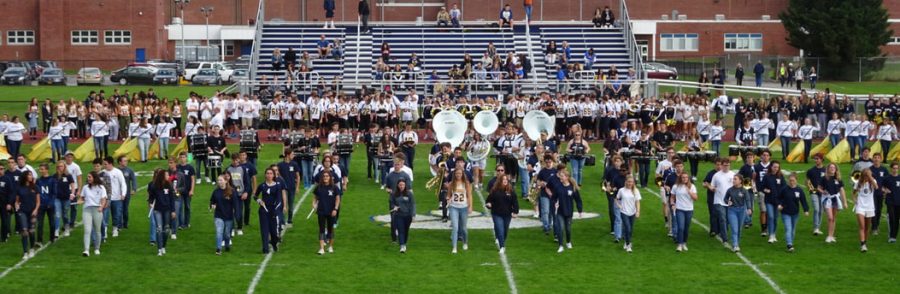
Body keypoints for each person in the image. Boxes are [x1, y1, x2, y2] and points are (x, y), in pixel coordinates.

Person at [255, 168, 287, 254]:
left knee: (274, 231)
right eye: (267, 173)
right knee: (264, 230)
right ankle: (265, 248)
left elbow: (279, 200)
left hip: (274, 210)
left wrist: (276, 210)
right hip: (263, 210)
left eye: (270, 173)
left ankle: (274, 243)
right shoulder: (262, 186)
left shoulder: (277, 186)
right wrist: (259, 201)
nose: (269, 175)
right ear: (265, 175)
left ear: (273, 175)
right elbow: (255, 196)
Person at [486, 174, 518, 253]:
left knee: (505, 230)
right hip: (496, 213)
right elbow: (488, 200)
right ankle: (502, 246)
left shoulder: (511, 191)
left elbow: (515, 202)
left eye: (506, 180)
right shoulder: (494, 190)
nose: (505, 181)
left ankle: (502, 241)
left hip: (507, 214)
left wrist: (515, 212)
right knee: (500, 229)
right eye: (503, 179)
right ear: (500, 181)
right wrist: (489, 205)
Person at [776, 173, 808, 252]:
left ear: (796, 181)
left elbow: (803, 201)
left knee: (793, 229)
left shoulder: (799, 190)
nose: (791, 182)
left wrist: (806, 210)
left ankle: (790, 242)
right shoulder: (784, 189)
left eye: (793, 180)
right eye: (790, 181)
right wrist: (779, 205)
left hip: (795, 213)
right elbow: (778, 198)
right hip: (785, 212)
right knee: (788, 228)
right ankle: (789, 244)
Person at [817, 163, 848, 243]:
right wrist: (823, 192)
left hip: (835, 199)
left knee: (833, 218)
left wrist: (844, 202)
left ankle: (831, 235)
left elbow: (842, 191)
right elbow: (819, 188)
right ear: (828, 169)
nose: (832, 168)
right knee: (830, 217)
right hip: (827, 199)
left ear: (836, 169)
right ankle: (829, 235)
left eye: (834, 167)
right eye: (831, 167)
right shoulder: (824, 178)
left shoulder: (838, 179)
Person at [148, 169, 176, 256]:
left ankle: (163, 246)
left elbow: (172, 199)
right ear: (162, 176)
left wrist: (173, 210)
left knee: (166, 229)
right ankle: (159, 249)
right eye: (166, 175)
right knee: (159, 229)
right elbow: (151, 196)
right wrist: (150, 202)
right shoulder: (154, 186)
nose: (168, 176)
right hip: (158, 210)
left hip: (167, 210)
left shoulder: (169, 185)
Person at [210, 174, 239, 255]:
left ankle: (227, 245)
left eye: (221, 180)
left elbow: (236, 204)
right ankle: (218, 249)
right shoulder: (216, 192)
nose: (219, 182)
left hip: (229, 216)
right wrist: (212, 205)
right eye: (218, 180)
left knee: (227, 234)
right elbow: (212, 201)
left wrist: (237, 215)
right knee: (219, 232)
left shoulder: (232, 191)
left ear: (226, 181)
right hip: (218, 215)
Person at [79, 171, 107, 257]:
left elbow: (104, 199)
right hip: (87, 209)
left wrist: (101, 207)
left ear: (94, 178)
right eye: (88, 177)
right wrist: (80, 201)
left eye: (90, 177)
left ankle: (97, 248)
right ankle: (86, 250)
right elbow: (82, 198)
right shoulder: (85, 187)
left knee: (97, 230)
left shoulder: (101, 188)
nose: (88, 179)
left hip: (97, 210)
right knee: (87, 230)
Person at [314, 172, 341, 255]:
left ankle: (330, 246)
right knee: (321, 229)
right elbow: (315, 197)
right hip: (321, 211)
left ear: (330, 177)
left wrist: (335, 209)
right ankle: (321, 248)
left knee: (330, 229)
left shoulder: (334, 187)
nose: (325, 177)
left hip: (331, 211)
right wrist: (314, 204)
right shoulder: (318, 187)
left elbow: (337, 199)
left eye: (327, 176)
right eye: (324, 176)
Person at [724, 174, 753, 252]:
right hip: (732, 210)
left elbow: (747, 200)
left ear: (740, 181)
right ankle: (735, 245)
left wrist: (749, 208)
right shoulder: (730, 190)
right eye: (733, 179)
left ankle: (737, 243)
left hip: (742, 211)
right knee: (734, 229)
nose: (733, 180)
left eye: (735, 179)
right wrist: (728, 202)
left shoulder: (744, 190)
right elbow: (725, 199)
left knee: (739, 229)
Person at [446, 168, 472, 254]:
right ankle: (454, 247)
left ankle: (465, 242)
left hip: (464, 207)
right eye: (457, 173)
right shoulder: (451, 184)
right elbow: (448, 195)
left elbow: (469, 196)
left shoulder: (466, 184)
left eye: (460, 173)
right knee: (455, 227)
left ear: (462, 174)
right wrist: (448, 199)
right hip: (454, 207)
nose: (458, 175)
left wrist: (470, 206)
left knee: (464, 228)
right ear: (454, 174)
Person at [709, 158, 735, 243]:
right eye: (725, 165)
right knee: (722, 218)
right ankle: (725, 239)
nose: (726, 167)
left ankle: (722, 233)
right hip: (719, 201)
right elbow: (712, 186)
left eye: (728, 165)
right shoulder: (716, 175)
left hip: (730, 201)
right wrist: (712, 188)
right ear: (722, 165)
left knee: (728, 219)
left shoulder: (733, 175)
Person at [15, 170, 39, 259]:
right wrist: (17, 207)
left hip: (33, 211)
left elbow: (38, 201)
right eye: (29, 175)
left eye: (31, 175)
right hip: (23, 212)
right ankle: (25, 252)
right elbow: (17, 201)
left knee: (31, 231)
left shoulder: (35, 187)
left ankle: (32, 249)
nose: (31, 176)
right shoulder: (19, 188)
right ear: (25, 176)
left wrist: (36, 210)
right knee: (24, 231)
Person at [672, 172, 697, 252]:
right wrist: (673, 204)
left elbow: (695, 198)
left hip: (689, 209)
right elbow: (672, 197)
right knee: (681, 227)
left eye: (686, 177)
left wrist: (689, 192)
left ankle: (684, 243)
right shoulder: (676, 186)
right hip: (680, 209)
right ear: (680, 178)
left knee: (686, 227)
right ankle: (679, 244)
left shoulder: (692, 186)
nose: (685, 179)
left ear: (688, 178)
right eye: (683, 177)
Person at [102, 157, 127, 238]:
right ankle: (104, 231)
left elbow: (123, 183)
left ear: (110, 164)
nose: (104, 165)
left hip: (117, 198)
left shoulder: (118, 172)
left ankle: (115, 228)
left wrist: (123, 194)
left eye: (105, 164)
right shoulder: (102, 173)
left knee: (116, 215)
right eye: (104, 164)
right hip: (106, 199)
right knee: (105, 215)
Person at [761, 161, 785, 243]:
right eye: (774, 167)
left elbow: (784, 187)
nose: (776, 168)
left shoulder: (781, 176)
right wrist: (765, 190)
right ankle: (771, 235)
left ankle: (774, 233)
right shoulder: (767, 176)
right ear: (771, 167)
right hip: (769, 200)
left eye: (777, 167)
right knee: (770, 216)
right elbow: (761, 187)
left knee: (775, 218)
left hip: (778, 201)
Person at [853, 169, 877, 252]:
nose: (867, 177)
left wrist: (870, 177)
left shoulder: (873, 181)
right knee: (862, 226)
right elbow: (854, 193)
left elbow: (876, 187)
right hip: (860, 206)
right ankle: (862, 244)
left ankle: (865, 242)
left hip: (870, 207)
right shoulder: (858, 183)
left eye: (868, 175)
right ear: (863, 175)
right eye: (866, 175)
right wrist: (854, 199)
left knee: (867, 227)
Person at [389, 179, 415, 253]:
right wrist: (394, 207)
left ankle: (404, 242)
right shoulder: (394, 194)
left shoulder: (409, 194)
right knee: (401, 230)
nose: (401, 186)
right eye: (400, 185)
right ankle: (402, 245)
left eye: (403, 185)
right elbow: (391, 203)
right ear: (398, 185)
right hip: (398, 215)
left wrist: (413, 215)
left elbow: (412, 204)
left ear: (405, 185)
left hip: (407, 216)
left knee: (406, 231)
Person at [52, 161, 76, 240]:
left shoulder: (68, 176)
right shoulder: (54, 176)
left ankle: (66, 227)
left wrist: (72, 193)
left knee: (65, 214)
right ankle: (56, 230)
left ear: (64, 167)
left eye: (61, 166)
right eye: (58, 166)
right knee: (57, 214)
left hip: (66, 198)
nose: (60, 168)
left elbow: (72, 185)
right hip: (57, 198)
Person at [615, 174, 639, 253]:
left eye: (631, 182)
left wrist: (638, 211)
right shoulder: (621, 190)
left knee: (630, 229)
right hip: (624, 212)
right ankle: (628, 245)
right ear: (626, 182)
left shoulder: (635, 191)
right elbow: (616, 198)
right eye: (628, 182)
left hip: (632, 212)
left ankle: (626, 241)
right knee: (627, 227)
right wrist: (619, 205)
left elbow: (637, 202)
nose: (630, 183)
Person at [277, 150, 301, 226]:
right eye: (292, 154)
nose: (293, 156)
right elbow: (278, 175)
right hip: (283, 189)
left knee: (290, 205)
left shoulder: (294, 164)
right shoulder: (280, 165)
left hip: (292, 188)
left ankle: (290, 220)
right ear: (287, 155)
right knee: (284, 204)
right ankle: (283, 221)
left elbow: (298, 176)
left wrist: (297, 187)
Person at [35, 164, 57, 245]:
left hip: (50, 205)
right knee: (40, 224)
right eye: (40, 169)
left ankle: (52, 238)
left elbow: (54, 193)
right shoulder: (38, 181)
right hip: (41, 205)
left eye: (42, 169)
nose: (41, 171)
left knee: (52, 223)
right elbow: (37, 193)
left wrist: (51, 203)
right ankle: (39, 240)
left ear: (47, 170)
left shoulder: (52, 180)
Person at [806, 154, 826, 236]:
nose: (816, 160)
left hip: (823, 193)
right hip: (814, 192)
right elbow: (807, 181)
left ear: (821, 159)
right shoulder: (811, 171)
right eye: (815, 159)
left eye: (817, 159)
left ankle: (818, 227)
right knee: (816, 209)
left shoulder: (825, 170)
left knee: (821, 211)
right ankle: (816, 228)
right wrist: (811, 189)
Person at [883, 162, 900, 243]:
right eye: (894, 168)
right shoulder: (887, 178)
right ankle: (891, 235)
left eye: (896, 168)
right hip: (890, 201)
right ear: (891, 169)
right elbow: (881, 187)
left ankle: (894, 236)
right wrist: (885, 190)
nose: (895, 170)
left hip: (898, 201)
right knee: (892, 218)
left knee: (897, 219)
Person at [119, 157, 137, 229]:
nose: (126, 162)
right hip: (118, 193)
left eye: (127, 161)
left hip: (127, 193)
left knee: (125, 209)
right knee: (118, 209)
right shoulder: (116, 170)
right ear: (120, 162)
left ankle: (125, 223)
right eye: (124, 161)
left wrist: (134, 189)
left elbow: (134, 180)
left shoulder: (129, 170)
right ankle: (119, 224)